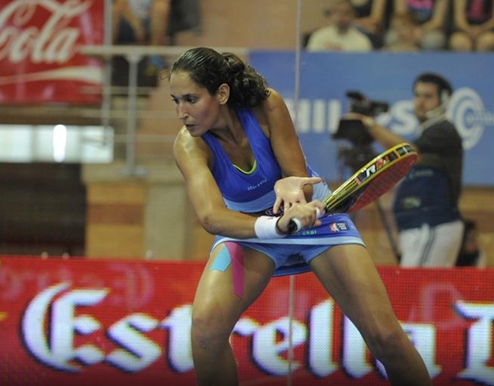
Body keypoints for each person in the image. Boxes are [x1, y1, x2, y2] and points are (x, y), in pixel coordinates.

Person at [169, 47, 432, 386]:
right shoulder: (189, 145)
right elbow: (212, 218)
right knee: (205, 330)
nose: (182, 112)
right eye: (175, 101)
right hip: (249, 232)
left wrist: (291, 188)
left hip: (316, 221)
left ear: (221, 93)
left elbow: (300, 185)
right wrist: (273, 226)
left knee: (385, 337)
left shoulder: (267, 105)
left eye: (190, 99)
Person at [349, 73, 464, 267]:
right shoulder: (426, 132)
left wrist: (369, 124)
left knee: (412, 289)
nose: (420, 102)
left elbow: (408, 152)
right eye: (417, 95)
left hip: (432, 223)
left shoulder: (444, 129)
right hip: (418, 225)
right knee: (414, 290)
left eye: (428, 96)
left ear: (443, 100)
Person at [306, 0, 374, 52]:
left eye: (346, 13)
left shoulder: (362, 42)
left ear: (353, 16)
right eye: (337, 12)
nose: (341, 17)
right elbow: (312, 61)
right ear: (331, 15)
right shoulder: (318, 37)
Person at [384, 0, 450, 50]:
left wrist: (420, 30)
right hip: (406, 26)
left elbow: (437, 21)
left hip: (429, 29)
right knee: (391, 38)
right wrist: (406, 30)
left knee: (432, 41)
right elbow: (400, 16)